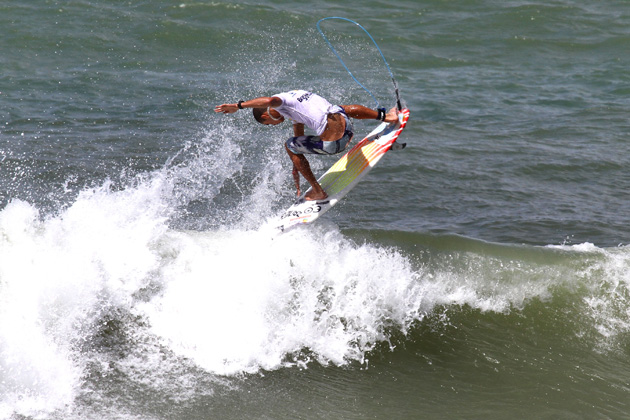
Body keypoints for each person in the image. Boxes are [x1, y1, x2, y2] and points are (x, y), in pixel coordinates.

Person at [214, 90, 398, 201]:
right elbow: (299, 134)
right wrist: (297, 162)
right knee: (339, 108)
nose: (273, 125)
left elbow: (269, 101)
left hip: (336, 143)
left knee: (288, 145)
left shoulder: (277, 103)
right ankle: (387, 117)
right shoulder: (295, 98)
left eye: (269, 124)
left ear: (265, 117)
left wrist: (238, 106)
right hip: (348, 128)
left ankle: (318, 191)